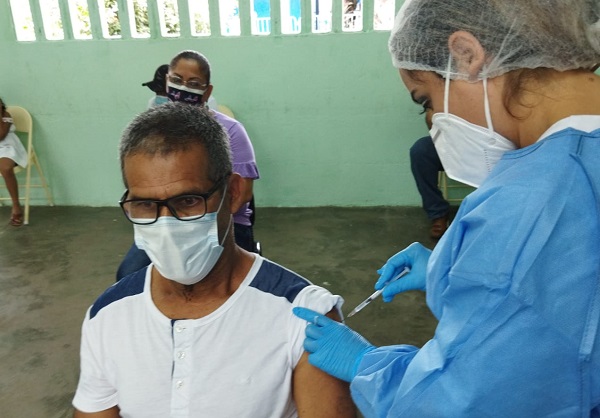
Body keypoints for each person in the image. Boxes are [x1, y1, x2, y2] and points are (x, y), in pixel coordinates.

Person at [293, 0, 600, 416]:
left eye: (426, 100)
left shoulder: (531, 202)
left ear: (467, 54)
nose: (434, 120)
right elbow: (561, 308)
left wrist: (368, 365)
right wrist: (448, 272)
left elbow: (466, 400)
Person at [72, 103, 356, 417]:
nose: (166, 225)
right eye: (145, 204)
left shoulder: (303, 317)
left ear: (232, 193)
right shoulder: (107, 318)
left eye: (188, 200)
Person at [117, 50, 260, 280]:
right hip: (167, 219)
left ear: (207, 90)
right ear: (166, 81)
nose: (183, 88)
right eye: (176, 80)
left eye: (193, 83)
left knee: (222, 280)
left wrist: (197, 219)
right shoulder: (153, 131)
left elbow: (242, 194)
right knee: (129, 275)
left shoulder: (232, 131)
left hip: (220, 219)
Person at [409, 109, 449, 239]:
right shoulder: (446, 91)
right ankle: (438, 213)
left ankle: (493, 211)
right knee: (421, 150)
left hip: (483, 145)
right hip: (451, 143)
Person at [0, 97, 27, 227]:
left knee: (5, 168)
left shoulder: (6, 115)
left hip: (8, 147)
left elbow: (1, 135)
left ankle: (16, 205)